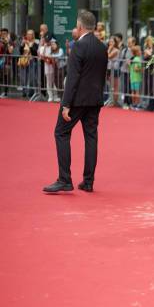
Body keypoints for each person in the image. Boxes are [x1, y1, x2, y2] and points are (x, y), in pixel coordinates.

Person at [43, 10, 108, 193]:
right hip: (95, 100)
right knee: (91, 138)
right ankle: (88, 182)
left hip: (77, 100)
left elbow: (72, 78)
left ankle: (64, 179)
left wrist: (66, 104)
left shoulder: (78, 46)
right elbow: (101, 76)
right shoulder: (102, 47)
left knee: (61, 133)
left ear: (80, 27)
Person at [106, 35, 121, 106]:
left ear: (115, 43)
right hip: (109, 69)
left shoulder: (116, 50)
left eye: (112, 41)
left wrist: (109, 48)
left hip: (114, 69)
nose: (110, 43)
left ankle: (115, 102)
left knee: (115, 86)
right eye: (110, 41)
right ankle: (111, 100)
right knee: (111, 86)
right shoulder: (110, 49)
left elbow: (108, 56)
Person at [129, 45, 143, 109]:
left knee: (133, 91)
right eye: (140, 50)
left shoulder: (133, 59)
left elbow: (130, 67)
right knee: (137, 91)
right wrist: (142, 69)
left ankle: (133, 104)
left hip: (132, 77)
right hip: (137, 78)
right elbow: (136, 69)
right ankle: (137, 104)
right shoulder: (137, 59)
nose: (141, 51)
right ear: (137, 52)